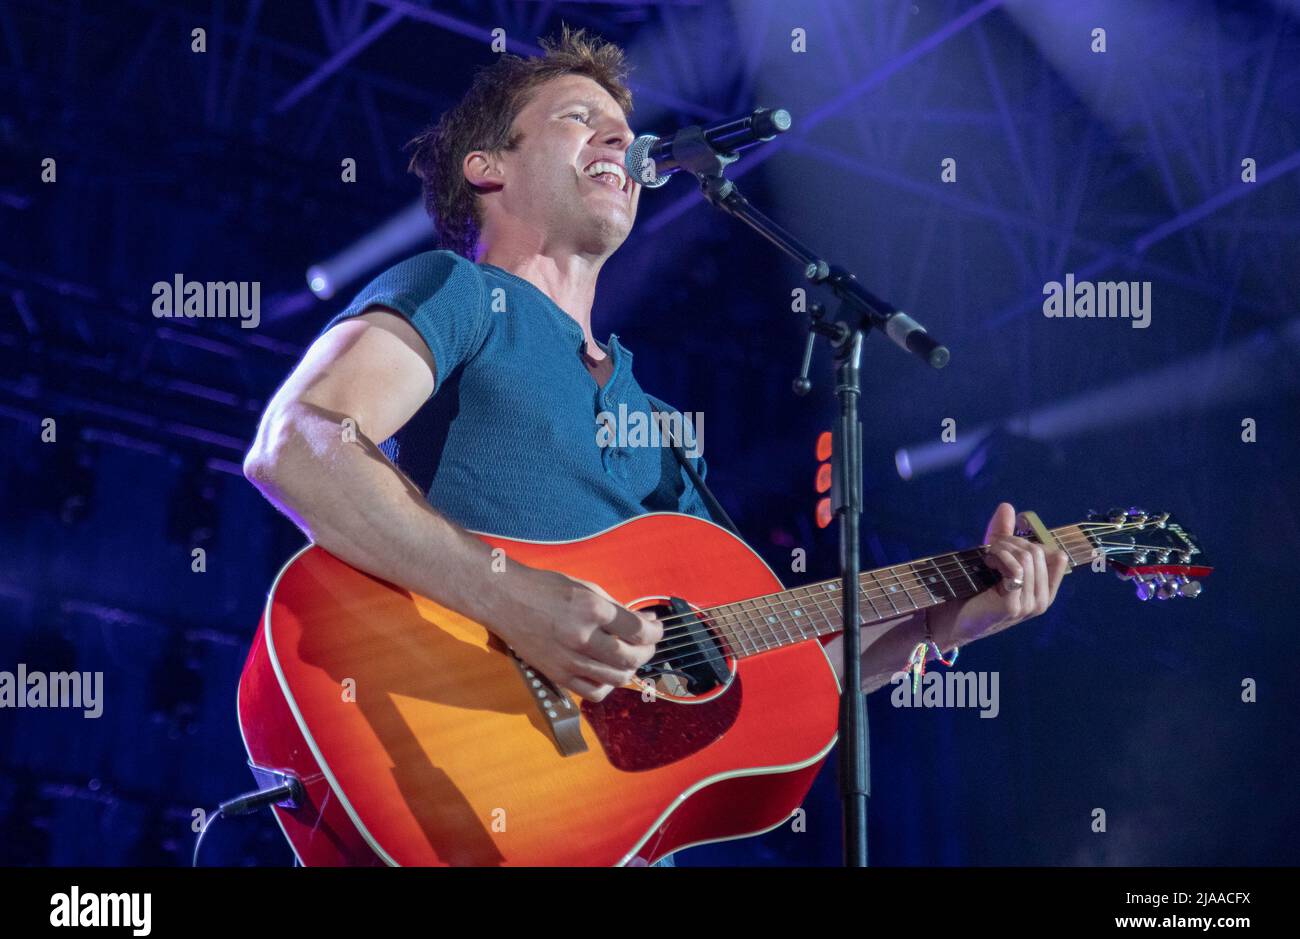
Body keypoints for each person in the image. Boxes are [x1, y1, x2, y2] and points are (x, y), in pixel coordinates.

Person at [241, 25, 1068, 867]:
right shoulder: (455, 290)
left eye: (624, 129)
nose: (620, 140)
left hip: (600, 834)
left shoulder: (665, 428)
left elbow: (767, 677)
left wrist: (940, 623)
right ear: (487, 167)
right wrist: (512, 600)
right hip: (444, 752)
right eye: (577, 118)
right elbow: (300, 443)